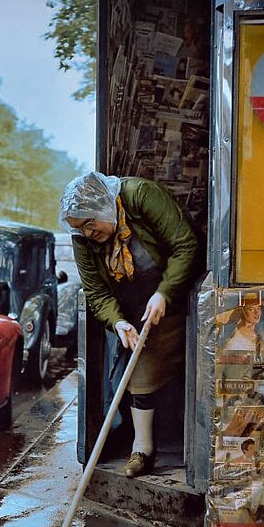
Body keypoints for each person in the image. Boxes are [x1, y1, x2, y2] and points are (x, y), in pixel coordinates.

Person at [59, 172, 198, 478]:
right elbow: (95, 291)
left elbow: (185, 245)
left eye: (90, 223)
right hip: (131, 306)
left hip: (173, 293)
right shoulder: (84, 237)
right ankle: (143, 449)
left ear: (105, 207)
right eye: (79, 229)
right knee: (137, 373)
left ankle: (175, 446)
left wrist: (164, 293)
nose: (86, 233)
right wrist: (118, 321)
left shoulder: (140, 196)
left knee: (187, 377)